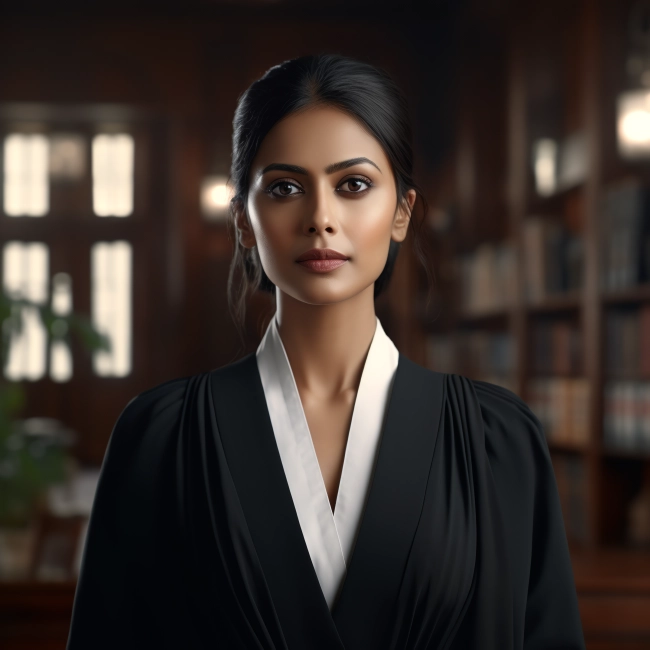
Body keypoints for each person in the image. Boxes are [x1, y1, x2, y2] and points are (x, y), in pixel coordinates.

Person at [66, 53, 586, 650]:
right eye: (286, 187)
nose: (320, 218)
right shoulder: (160, 438)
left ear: (401, 212)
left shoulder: (498, 442)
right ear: (243, 221)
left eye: (354, 185)